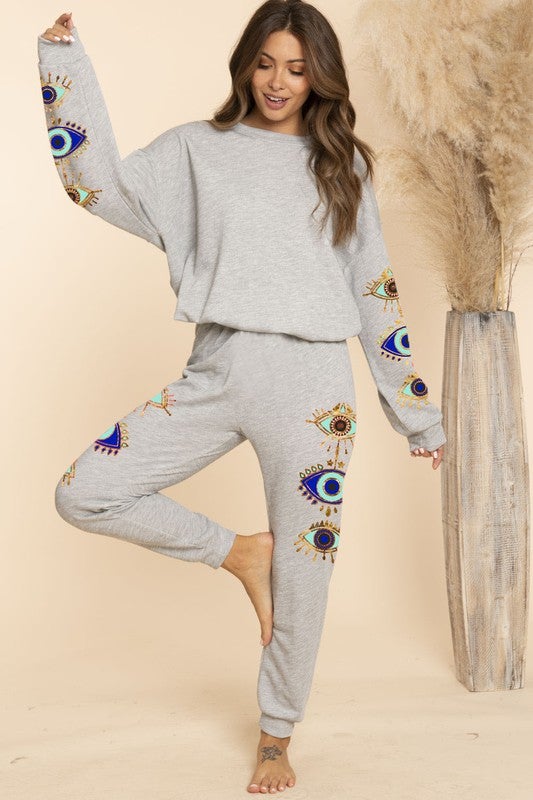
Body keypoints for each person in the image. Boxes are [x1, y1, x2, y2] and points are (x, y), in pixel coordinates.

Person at [37, 1, 446, 793]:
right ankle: (239, 554)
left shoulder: (343, 165)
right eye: (265, 63)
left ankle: (275, 736)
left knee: (307, 570)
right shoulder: (198, 149)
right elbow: (95, 185)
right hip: (218, 371)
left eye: (296, 68)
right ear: (245, 65)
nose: (278, 82)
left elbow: (374, 288)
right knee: (84, 491)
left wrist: (415, 415)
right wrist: (63, 66)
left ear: (319, 77)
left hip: (314, 391)